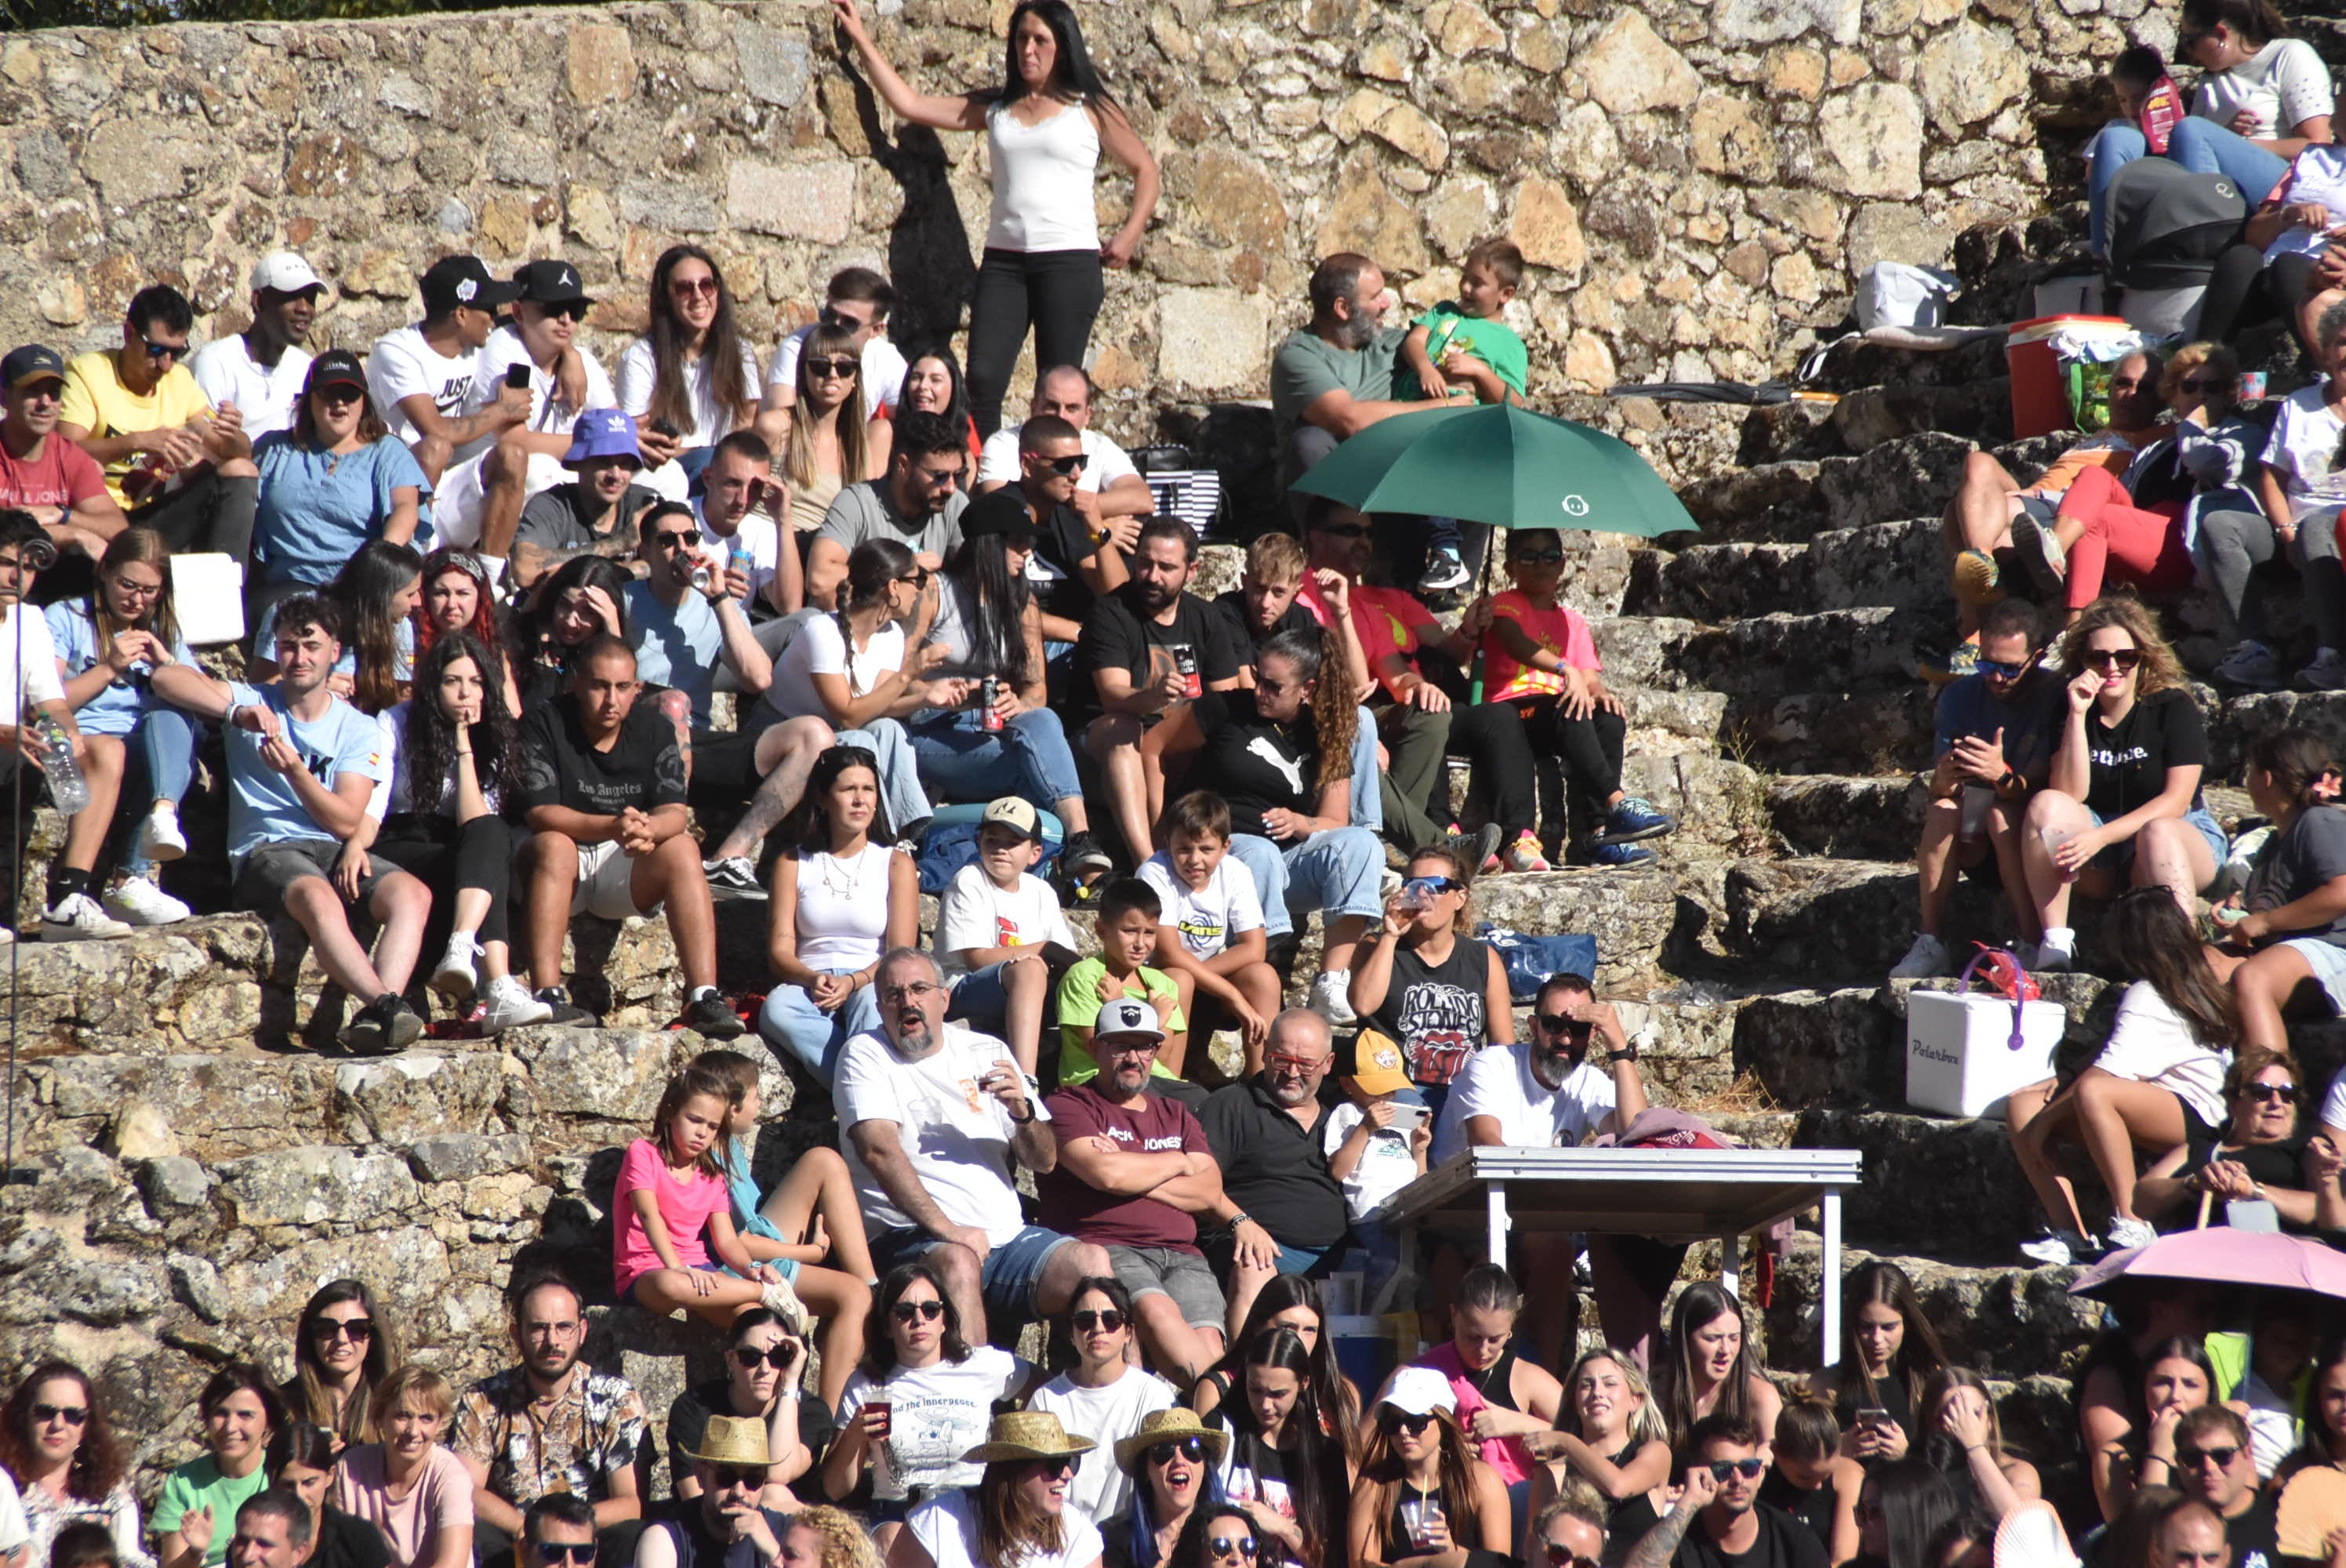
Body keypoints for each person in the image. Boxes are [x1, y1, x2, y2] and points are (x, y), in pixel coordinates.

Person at [830, 0, 1160, 435]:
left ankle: (1048, 485)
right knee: (983, 380)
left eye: (1041, 40)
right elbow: (910, 104)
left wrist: (1130, 233)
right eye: (1022, 39)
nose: (1029, 50)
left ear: (1062, 45)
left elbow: (1146, 170)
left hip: (1069, 262)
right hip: (1006, 264)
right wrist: (861, 40)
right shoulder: (998, 107)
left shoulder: (1090, 107)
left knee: (1055, 385)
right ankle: (982, 483)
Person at [150, 593, 427, 1052]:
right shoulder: (254, 698)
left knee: (413, 895)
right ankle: (385, 1006)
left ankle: (377, 1017)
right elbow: (166, 678)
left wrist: (296, 770)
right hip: (266, 849)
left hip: (330, 847)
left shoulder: (356, 727)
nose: (299, 658)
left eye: (311, 647)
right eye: (288, 647)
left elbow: (344, 819)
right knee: (317, 895)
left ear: (334, 651)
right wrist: (234, 713)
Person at [836, 947, 1113, 1341]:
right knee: (959, 1261)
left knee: (1092, 1264)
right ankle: (972, 1399)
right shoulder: (866, 1054)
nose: (908, 1002)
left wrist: (1023, 1113)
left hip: (1005, 1239)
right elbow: (878, 1150)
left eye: (919, 989)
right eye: (894, 995)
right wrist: (949, 1230)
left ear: (944, 998)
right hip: (913, 1238)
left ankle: (1118, 1398)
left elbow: (1045, 1160)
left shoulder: (988, 1051)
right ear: (881, 1008)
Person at [1429, 971, 1672, 1371]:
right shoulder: (1492, 1065)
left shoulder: (1587, 1081)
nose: (1564, 1039)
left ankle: (1537, 1379)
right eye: (1554, 1025)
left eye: (1578, 1029)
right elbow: (1488, 1144)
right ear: (1533, 1025)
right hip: (1460, 1213)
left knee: (1556, 1245)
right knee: (1508, 1257)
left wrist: (1618, 1047)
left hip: (1530, 1218)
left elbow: (1636, 1130)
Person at [512, 633, 743, 1037]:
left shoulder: (654, 728)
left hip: (625, 866)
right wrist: (613, 825)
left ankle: (704, 995)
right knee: (553, 844)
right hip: (561, 863)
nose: (611, 700)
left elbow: (674, 811)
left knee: (684, 848)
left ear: (638, 689)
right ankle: (547, 993)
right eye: (599, 686)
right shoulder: (543, 721)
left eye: (622, 688)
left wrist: (649, 829)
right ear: (576, 683)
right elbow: (539, 812)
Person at [2008, 887, 2238, 1264]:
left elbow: (2106, 1074)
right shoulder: (2187, 982)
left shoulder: (2149, 995)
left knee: (2094, 1093)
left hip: (2202, 1119)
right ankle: (2071, 1234)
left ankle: (2132, 1220)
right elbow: (2119, 1049)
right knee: (2023, 1104)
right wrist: (2065, 1075)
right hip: (2158, 1104)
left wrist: (2043, 1125)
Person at [1295, 503, 1520, 871]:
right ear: (1316, 537)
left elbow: (1392, 670)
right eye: (1351, 531)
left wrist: (1421, 683)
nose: (1364, 541)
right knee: (1370, 733)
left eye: (1369, 532)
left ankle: (1392, 839)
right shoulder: (1300, 592)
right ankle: (1439, 847)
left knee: (1431, 714)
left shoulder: (1367, 601)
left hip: (1370, 705)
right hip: (1321, 709)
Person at [1171, 630, 1382, 1021]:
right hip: (1229, 854)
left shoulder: (1327, 730)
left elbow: (1334, 821)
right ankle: (1261, 973)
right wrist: (1155, 837)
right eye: (1257, 677)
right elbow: (1157, 755)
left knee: (1363, 844)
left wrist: (1302, 822)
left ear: (1308, 688)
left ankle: (1330, 982)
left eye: (1274, 685)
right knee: (1263, 853)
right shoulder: (1226, 710)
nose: (1259, 691)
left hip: (1290, 861)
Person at [909, 497, 1111, 877]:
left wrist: (1018, 702)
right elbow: (894, 676)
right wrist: (950, 694)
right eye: (1017, 541)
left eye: (1029, 541)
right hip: (929, 729)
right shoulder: (934, 593)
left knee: (1044, 719)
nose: (1028, 550)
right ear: (988, 543)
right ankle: (1078, 868)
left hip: (992, 732)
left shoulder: (1022, 605)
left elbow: (1036, 691)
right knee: (1033, 768)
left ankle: (1081, 841)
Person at [2019, 598, 2224, 969]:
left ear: (2142, 657)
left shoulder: (2172, 707)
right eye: (2099, 658)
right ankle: (2055, 944)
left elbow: (2176, 802)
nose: (2112, 668)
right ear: (2084, 661)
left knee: (2158, 831)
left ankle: (2184, 956)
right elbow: (2071, 794)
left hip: (2176, 838)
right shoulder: (2068, 706)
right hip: (2102, 846)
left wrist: (2102, 837)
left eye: (2124, 657)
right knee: (2045, 805)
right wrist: (2078, 716)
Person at [362, 630, 549, 1033]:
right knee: (490, 859)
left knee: (492, 835)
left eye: (476, 682)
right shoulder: (396, 721)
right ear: (434, 684)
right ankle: (498, 983)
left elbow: (476, 821)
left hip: (455, 843)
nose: (466, 693)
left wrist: (465, 746)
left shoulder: (492, 734)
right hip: (401, 840)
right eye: (453, 681)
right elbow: (376, 801)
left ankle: (465, 949)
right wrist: (356, 845)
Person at [1934, 352, 2166, 671]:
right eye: (2123, 384)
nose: (2131, 394)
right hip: (2037, 498)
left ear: (2163, 397)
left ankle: (1973, 629)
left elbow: (2204, 414)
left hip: (2074, 509)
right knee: (1977, 465)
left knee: (1954, 514)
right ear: (2109, 388)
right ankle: (1982, 561)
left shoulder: (2161, 435)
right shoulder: (2092, 437)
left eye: (2146, 388)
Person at [1039, 1006, 1229, 1388]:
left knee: (1209, 1340)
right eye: (1121, 1046)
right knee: (1159, 1314)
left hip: (1183, 1254)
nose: (1134, 1058)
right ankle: (1226, 1417)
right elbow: (1106, 1174)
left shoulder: (1175, 1112)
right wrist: (1178, 1161)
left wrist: (1134, 1169)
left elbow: (1209, 1190)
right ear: (1095, 1048)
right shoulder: (1069, 1105)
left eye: (1146, 1047)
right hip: (1113, 1248)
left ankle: (1209, 1424)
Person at [1476, 527, 1673, 872]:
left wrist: (1601, 694)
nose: (1541, 564)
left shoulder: (1572, 621)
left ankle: (1596, 836)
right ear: (1509, 568)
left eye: (1550, 556)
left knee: (1608, 717)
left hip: (1560, 713)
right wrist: (1566, 670)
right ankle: (1617, 802)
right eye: (1529, 556)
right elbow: (1514, 642)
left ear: (1563, 564)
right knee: (1570, 709)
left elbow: (1591, 677)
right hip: (1514, 709)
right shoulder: (1505, 604)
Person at [691, 1049, 876, 1411]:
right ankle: (826, 1421)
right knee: (845, 1300)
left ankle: (873, 1287)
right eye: (755, 1093)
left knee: (824, 1161)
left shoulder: (729, 1146)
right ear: (731, 1107)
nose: (761, 1101)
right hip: (737, 1267)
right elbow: (739, 1244)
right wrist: (812, 1253)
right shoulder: (706, 1157)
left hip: (763, 1246)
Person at [2032, 343, 2264, 630]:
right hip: (2143, 535)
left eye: (2212, 387)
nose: (2201, 395)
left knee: (2099, 520)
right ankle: (2054, 549)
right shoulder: (2158, 446)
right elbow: (2124, 494)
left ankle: (2073, 630)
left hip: (2185, 543)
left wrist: (2194, 425)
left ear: (2228, 393)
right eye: (2190, 387)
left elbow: (2204, 463)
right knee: (2093, 475)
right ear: (2173, 395)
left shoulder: (2242, 435)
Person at [1890, 598, 2065, 979]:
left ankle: (2032, 940)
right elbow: (1942, 787)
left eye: (2009, 668)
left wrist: (2000, 775)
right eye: (1986, 665)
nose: (1996, 677)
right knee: (1941, 811)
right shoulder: (1960, 697)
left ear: (2036, 658)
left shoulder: (2053, 696)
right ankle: (1930, 941)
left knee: (2003, 815)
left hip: (2028, 841)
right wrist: (1944, 779)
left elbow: (2042, 788)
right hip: (1973, 833)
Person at [750, 536, 943, 873]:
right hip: (785, 745)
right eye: (919, 581)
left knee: (888, 730)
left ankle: (903, 837)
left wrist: (926, 698)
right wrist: (912, 672)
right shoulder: (821, 630)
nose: (922, 591)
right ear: (893, 587)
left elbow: (875, 707)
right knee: (861, 740)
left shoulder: (892, 634)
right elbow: (849, 714)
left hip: (835, 738)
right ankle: (878, 836)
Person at [2083, 0, 2335, 258]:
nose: (2188, 52)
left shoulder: (2289, 56)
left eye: (2189, 39)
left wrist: (2238, 145)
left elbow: (2319, 147)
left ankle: (2198, 250)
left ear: (2220, 34)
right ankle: (2104, 258)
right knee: (2117, 139)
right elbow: (2195, 150)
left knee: (2191, 130)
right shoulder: (2211, 79)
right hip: (2211, 184)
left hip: (2277, 185)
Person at [41, 527, 198, 933]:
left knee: (170, 720)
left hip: (141, 745)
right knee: (113, 750)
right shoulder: (66, 616)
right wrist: (108, 668)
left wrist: (167, 668)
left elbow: (203, 698)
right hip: (76, 742)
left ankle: (134, 876)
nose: (138, 599)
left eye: (150, 590)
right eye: (128, 585)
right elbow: (45, 701)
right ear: (105, 572)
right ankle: (71, 894)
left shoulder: (164, 628)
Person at [451, 1272, 648, 1568]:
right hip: (515, 1540)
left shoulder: (616, 1398)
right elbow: (464, 1487)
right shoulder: (484, 1399)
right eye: (539, 1328)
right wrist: (527, 1527)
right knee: (466, 1529)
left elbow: (629, 1503)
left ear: (582, 1331)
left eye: (564, 1327)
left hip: (585, 1545)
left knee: (634, 1536)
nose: (552, 1340)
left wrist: (567, 1531)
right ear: (516, 1334)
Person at [437, 261, 624, 569]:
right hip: (475, 492)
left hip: (551, 482)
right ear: (520, 312)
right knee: (540, 469)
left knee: (663, 478)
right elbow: (516, 440)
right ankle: (497, 575)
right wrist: (594, 444)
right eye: (553, 309)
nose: (566, 320)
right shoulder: (502, 347)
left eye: (575, 311)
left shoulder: (581, 360)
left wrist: (571, 354)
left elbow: (615, 428)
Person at [821, 1264, 1037, 1524]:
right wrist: (856, 1433)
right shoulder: (865, 1383)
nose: (919, 1320)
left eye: (931, 1310)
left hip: (973, 1510)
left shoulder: (981, 1365)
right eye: (904, 1312)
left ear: (944, 1321)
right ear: (887, 1326)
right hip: (899, 1515)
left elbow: (1048, 1389)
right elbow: (835, 1489)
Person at [57, 284, 257, 561]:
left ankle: (227, 591)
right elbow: (62, 454)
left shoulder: (179, 381)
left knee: (239, 469)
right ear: (129, 334)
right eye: (155, 349)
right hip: (97, 516)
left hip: (154, 516)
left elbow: (238, 452)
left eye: (176, 353)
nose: (165, 364)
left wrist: (232, 434)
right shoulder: (87, 374)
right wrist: (136, 442)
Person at [757, 745, 920, 1081]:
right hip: (811, 982)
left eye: (868, 789)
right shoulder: (793, 862)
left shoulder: (894, 863)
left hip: (871, 977)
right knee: (777, 1009)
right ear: (823, 799)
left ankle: (857, 1093)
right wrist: (813, 979)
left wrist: (853, 980)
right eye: (848, 789)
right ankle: (859, 1087)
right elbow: (779, 951)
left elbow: (900, 953)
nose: (860, 800)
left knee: (868, 1004)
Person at [1080, 516, 1236, 863]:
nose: (1152, 576)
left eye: (1166, 567)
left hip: (1175, 739)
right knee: (1125, 729)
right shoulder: (1111, 613)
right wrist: (1154, 697)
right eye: (1144, 563)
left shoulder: (1206, 618)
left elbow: (1226, 699)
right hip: (1104, 740)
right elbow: (1111, 695)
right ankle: (1147, 864)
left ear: (1192, 570)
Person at [612, 1061, 812, 1329]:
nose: (702, 1133)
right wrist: (676, 1266)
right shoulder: (643, 1153)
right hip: (647, 1271)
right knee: (672, 1284)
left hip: (702, 1271)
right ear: (671, 1112)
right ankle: (767, 1293)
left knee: (756, 1323)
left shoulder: (713, 1174)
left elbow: (727, 1240)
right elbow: (649, 1215)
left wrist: (750, 1270)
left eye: (712, 1126)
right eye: (694, 1120)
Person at [2210, 300, 2346, 691]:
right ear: (2324, 351)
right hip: (2295, 530)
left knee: (2319, 525)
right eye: (2338, 343)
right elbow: (2272, 474)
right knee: (2221, 524)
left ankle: (2332, 654)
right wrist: (2285, 527)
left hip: (2339, 533)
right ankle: (2256, 650)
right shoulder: (2299, 405)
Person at [1197, 1009, 1353, 1341]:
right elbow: (1199, 1185)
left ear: (1327, 1064)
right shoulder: (1233, 1105)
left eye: (1306, 1064)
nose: (1293, 1072)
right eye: (1282, 1059)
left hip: (1339, 1255)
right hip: (1258, 1248)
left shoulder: (1343, 1121)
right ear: (1266, 1053)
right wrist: (1240, 1222)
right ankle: (1244, 1378)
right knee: (1255, 1262)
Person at [248, 350, 429, 621]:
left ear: (364, 402)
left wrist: (379, 563)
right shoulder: (273, 448)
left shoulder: (388, 451)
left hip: (358, 585)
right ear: (309, 399)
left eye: (350, 394)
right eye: (329, 394)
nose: (340, 403)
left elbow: (404, 507)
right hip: (288, 583)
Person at [1351, 848, 1513, 1126]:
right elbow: (1363, 1004)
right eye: (1413, 885)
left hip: (1462, 1096)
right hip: (1395, 1092)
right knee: (1415, 1113)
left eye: (1435, 886)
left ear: (1460, 897)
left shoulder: (1483, 959)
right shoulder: (1376, 947)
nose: (1422, 895)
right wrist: (1391, 936)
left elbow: (1503, 1050)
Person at [625, 502, 773, 795]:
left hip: (696, 739)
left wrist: (719, 598)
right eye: (668, 541)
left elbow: (759, 680)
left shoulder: (718, 608)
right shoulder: (625, 599)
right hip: (638, 733)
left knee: (810, 734)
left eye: (690, 538)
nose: (683, 549)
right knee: (674, 702)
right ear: (645, 552)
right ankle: (671, 813)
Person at [1411, 1268, 1568, 1539]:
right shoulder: (1423, 1372)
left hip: (1515, 1511)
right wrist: (1444, 1448)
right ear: (1453, 1316)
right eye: (1473, 1337)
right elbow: (1372, 1437)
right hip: (1444, 1508)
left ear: (1511, 1329)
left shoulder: (1526, 1378)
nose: (1483, 1351)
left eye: (1495, 1339)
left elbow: (1591, 1443)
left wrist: (1520, 1423)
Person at [2217, 728, 2346, 1053]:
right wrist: (2242, 917)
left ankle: (2268, 1086)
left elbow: (2341, 891)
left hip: (2335, 951)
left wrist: (2265, 922)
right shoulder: (2274, 843)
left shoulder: (2318, 821)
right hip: (2292, 953)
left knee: (2252, 978)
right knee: (2194, 972)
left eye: (2251, 772)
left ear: (2268, 778)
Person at [1138, 793, 1282, 1073]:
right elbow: (1168, 953)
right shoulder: (1154, 873)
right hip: (1162, 979)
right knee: (1179, 979)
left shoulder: (1236, 872)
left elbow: (1254, 948)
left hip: (1208, 975)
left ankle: (1261, 1082)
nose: (1194, 860)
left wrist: (1209, 981)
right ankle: (1169, 1085)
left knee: (1263, 976)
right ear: (1168, 842)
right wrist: (1231, 994)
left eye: (1206, 849)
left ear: (1225, 846)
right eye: (1183, 849)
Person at [936, 796, 1078, 1075]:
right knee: (1029, 968)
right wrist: (1043, 949)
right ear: (979, 842)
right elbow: (977, 958)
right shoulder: (969, 879)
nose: (1001, 849)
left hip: (1023, 987)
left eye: (1013, 843)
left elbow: (1065, 957)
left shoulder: (1041, 891)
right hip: (961, 988)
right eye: (992, 840)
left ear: (1035, 853)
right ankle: (1026, 1079)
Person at [365, 259, 529, 488]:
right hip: (394, 478)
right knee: (435, 448)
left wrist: (570, 358)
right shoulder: (397, 351)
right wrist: (504, 410)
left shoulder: (477, 344)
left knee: (512, 457)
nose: (495, 319)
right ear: (461, 315)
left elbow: (540, 333)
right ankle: (418, 524)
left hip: (449, 478)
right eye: (490, 309)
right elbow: (434, 430)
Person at [1029, 1279, 1180, 1526]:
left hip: (1130, 1539)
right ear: (1071, 1333)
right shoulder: (1047, 1399)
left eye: (1111, 1320)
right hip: (1060, 1537)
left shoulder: (1154, 1395)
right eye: (1085, 1321)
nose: (1098, 1328)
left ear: (1128, 1332)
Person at [1271, 256, 1412, 517]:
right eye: (1376, 296)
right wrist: (1443, 406)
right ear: (1343, 308)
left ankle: (1455, 557)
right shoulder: (1299, 357)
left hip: (1394, 480)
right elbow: (1349, 419)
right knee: (1310, 441)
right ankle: (1327, 548)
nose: (1387, 304)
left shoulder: (1395, 344)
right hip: (1335, 496)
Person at [1203, 1328, 1352, 1568]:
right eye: (1255, 1389)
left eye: (1278, 1394)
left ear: (1304, 1383)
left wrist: (1282, 1526)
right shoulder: (1222, 1433)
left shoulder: (1325, 1456)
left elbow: (1333, 1558)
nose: (1265, 1405)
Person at [616, 245, 762, 482]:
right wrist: (693, 453)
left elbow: (745, 424)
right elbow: (636, 436)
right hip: (666, 471)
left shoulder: (740, 352)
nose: (698, 296)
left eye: (707, 285)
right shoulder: (642, 357)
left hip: (720, 470)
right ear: (667, 297)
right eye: (684, 288)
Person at [2131, 1047, 2316, 1231]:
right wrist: (2194, 1182)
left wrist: (2253, 1190)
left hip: (2276, 1252)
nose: (2276, 1103)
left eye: (2287, 1094)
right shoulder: (2204, 1146)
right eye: (2261, 1092)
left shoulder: (2308, 1146)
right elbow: (2141, 1201)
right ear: (2234, 1103)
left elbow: (2322, 1207)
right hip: (2200, 1252)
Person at [893, 1411, 1107, 1568]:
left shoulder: (1078, 1533)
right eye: (1055, 1465)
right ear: (1013, 1471)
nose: (1067, 1475)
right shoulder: (939, 1522)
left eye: (1070, 1462)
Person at [663, 1310, 825, 1514]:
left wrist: (791, 1384)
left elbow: (778, 1472)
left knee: (776, 1493)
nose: (765, 1368)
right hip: (712, 1523)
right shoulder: (693, 1408)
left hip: (781, 1530)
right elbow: (695, 1497)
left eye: (779, 1357)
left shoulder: (810, 1411)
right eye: (751, 1357)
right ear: (730, 1359)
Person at [1347, 1367, 1511, 1568]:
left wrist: (1452, 1552)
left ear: (1443, 1422)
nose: (1403, 1432)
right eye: (1392, 1423)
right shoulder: (1374, 1486)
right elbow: (1361, 1564)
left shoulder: (1481, 1480)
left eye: (1416, 1421)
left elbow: (1500, 1564)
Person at [808, 411, 969, 613]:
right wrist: (904, 569)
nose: (951, 488)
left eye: (959, 475)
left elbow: (974, 580)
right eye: (940, 476)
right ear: (903, 465)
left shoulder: (954, 504)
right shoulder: (857, 502)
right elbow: (819, 579)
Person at [994, 416, 1133, 646]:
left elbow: (1119, 598)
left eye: (1081, 462)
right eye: (1065, 465)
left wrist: (1098, 527)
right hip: (1015, 641)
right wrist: (1079, 632)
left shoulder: (1068, 514)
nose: (1077, 474)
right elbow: (996, 606)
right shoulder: (997, 513)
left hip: (1074, 646)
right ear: (1027, 465)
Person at [1621, 1416, 1826, 1568]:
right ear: (1697, 1473)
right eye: (1723, 1470)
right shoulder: (1680, 1537)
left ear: (1760, 1472)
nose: (1738, 1480)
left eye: (1749, 1468)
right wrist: (1688, 1502)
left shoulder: (1793, 1538)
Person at [974, 366, 1154, 533]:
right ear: (1033, 406)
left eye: (1072, 408)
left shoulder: (1101, 446)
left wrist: (1091, 518)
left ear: (1087, 415)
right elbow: (1001, 510)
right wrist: (1095, 528)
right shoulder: (1004, 444)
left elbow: (1142, 498)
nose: (1061, 416)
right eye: (1051, 406)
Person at [0, 1364, 147, 1568]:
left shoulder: (111, 1493)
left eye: (72, 1415)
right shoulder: (5, 1489)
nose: (58, 1425)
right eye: (45, 1412)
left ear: (86, 1425)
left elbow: (130, 1559)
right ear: (24, 1417)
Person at [1324, 1032, 1430, 1306]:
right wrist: (1365, 1128)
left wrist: (1420, 1150)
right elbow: (1338, 1170)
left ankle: (1400, 1326)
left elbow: (1419, 1177)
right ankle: (1372, 1316)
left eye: (1392, 1087)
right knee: (1390, 1271)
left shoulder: (1402, 1113)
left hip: (1409, 1211)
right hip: (1373, 1215)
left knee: (1416, 1280)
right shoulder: (1347, 1114)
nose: (1387, 1095)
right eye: (1377, 1087)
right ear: (1347, 1084)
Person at [1055, 879, 1191, 1091]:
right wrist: (1145, 1016)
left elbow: (1164, 1056)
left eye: (1149, 933)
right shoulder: (1084, 978)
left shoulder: (1162, 984)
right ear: (1101, 930)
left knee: (1209, 1103)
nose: (1140, 943)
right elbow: (1104, 1055)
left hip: (1155, 1083)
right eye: (1129, 931)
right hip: (1103, 1084)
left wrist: (1121, 1007)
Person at [1189, 1278, 1364, 1442]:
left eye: (1310, 1330)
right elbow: (1205, 1465)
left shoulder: (1340, 1393)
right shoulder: (1218, 1389)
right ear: (1258, 1326)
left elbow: (1351, 1464)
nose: (1298, 1340)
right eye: (1287, 1328)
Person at [507, 412, 662, 593]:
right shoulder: (551, 506)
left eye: (625, 464)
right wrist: (619, 544)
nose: (616, 475)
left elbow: (671, 565)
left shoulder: (645, 503)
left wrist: (614, 574)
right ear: (577, 463)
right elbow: (524, 571)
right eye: (603, 462)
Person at [329, 1371, 471, 1568]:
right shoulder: (351, 1467)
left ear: (440, 1424)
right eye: (403, 1416)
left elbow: (453, 1563)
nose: (413, 1431)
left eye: (426, 1418)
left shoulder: (451, 1477)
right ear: (380, 1419)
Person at [0, 344, 126, 563]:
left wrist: (62, 515)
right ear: (4, 398)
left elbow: (117, 528)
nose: (46, 402)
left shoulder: (69, 456)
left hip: (51, 575)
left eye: (54, 393)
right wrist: (72, 533)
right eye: (33, 391)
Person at [772, 325, 888, 548]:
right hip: (779, 552)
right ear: (803, 373)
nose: (832, 375)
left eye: (844, 367)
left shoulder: (861, 448)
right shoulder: (777, 426)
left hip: (834, 556)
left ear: (855, 378)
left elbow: (871, 520)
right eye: (820, 366)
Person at [1818, 1262, 1948, 1457]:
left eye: (1888, 1327)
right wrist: (1835, 1450)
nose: (1877, 1339)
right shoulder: (1827, 1385)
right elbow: (1798, 1459)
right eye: (1866, 1327)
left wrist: (1908, 1454)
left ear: (1907, 1324)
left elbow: (1953, 1462)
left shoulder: (1928, 1380)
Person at [156, 1367, 282, 1568]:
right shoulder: (184, 1482)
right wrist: (195, 1553)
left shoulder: (281, 1475)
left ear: (268, 1422)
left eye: (245, 1415)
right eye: (221, 1413)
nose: (230, 1427)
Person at [192, 254, 326, 441]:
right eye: (292, 297)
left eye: (311, 298)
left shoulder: (306, 367)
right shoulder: (216, 362)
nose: (304, 309)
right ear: (259, 301)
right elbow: (203, 445)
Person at [761, 269, 907, 435]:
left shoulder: (886, 358)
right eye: (829, 315)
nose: (834, 326)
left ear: (876, 329)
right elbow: (783, 427)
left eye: (849, 322)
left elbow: (907, 423)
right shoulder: (795, 348)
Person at [2097, 1338, 2221, 1523]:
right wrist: (2159, 1454)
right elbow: (2134, 1537)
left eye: (2190, 1384)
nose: (2175, 1396)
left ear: (2208, 1393)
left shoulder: (2225, 1451)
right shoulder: (2115, 1456)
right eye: (2163, 1382)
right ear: (2144, 1389)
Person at [635, 1419, 787, 1568]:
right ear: (700, 1476)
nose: (739, 1492)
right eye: (726, 1477)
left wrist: (775, 1555)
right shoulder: (665, 1538)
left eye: (753, 1479)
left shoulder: (786, 1534)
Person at [1396, 240, 1528, 408]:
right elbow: (1414, 341)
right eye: (1465, 277)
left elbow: (1515, 402)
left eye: (1477, 283)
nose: (1466, 287)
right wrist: (1425, 369)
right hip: (1407, 406)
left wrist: (1479, 370)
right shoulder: (1444, 311)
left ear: (1506, 294)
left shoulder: (1509, 344)